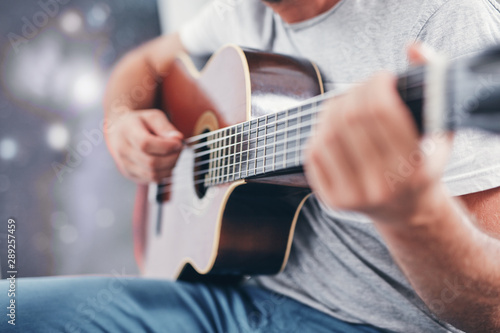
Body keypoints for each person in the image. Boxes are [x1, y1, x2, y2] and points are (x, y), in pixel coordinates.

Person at [3, 0, 500, 332]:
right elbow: (145, 64)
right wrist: (120, 122)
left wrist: (409, 213)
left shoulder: (445, 18)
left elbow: (490, 309)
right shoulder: (247, 9)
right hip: (227, 295)